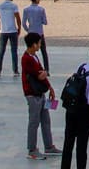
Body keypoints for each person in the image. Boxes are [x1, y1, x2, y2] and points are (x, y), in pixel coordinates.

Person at [60, 49, 89, 169]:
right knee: (81, 145)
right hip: (83, 113)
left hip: (71, 109)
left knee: (68, 142)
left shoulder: (83, 66)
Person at [23, 32, 59, 162]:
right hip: (32, 94)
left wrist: (50, 88)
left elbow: (43, 74)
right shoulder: (26, 59)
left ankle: (49, 146)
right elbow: (40, 75)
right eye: (39, 43)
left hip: (41, 93)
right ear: (33, 44)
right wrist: (43, 74)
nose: (40, 45)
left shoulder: (35, 57)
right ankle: (32, 149)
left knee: (46, 120)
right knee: (34, 122)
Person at [0, 0, 23, 75]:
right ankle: (15, 70)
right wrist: (19, 28)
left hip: (3, 31)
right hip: (12, 30)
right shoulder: (13, 6)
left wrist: (0, 27)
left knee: (1, 51)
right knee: (14, 51)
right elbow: (18, 18)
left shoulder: (0, 6)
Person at [24, 0, 51, 72]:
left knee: (29, 51)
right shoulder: (41, 9)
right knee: (43, 52)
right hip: (39, 33)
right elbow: (45, 22)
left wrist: (28, 29)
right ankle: (46, 69)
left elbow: (23, 23)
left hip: (31, 32)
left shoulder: (26, 10)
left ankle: (29, 68)